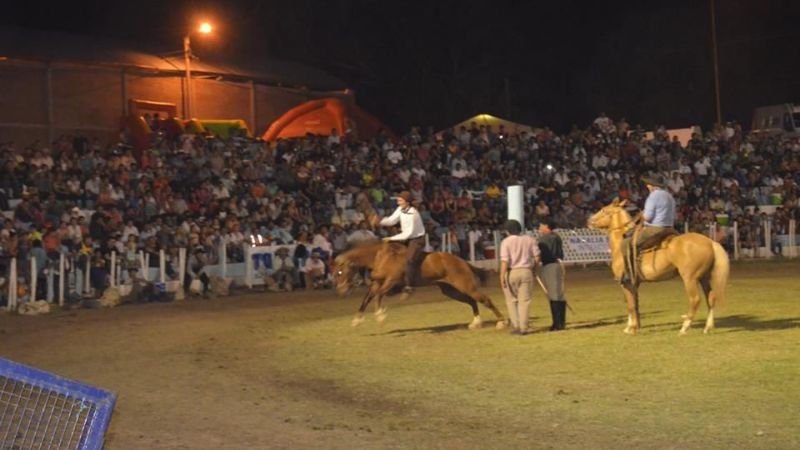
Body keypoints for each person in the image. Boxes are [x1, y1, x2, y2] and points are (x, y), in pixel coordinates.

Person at [622, 174, 676, 284]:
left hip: (656, 229)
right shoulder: (669, 196)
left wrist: (636, 223)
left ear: (652, 185)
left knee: (626, 244)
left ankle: (629, 274)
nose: (647, 186)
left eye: (648, 184)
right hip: (670, 228)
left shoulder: (653, 196)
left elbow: (648, 217)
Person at [372, 190, 426, 296]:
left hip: (417, 240)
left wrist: (391, 238)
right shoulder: (400, 209)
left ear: (407, 202)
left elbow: (407, 234)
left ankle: (409, 286)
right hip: (406, 238)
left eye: (400, 200)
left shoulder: (413, 214)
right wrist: (380, 221)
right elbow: (391, 220)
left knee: (410, 260)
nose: (398, 202)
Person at [499, 219, 540, 335]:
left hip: (511, 272)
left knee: (511, 301)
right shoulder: (529, 240)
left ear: (507, 231)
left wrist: (501, 276)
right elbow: (537, 257)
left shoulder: (506, 242)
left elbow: (504, 261)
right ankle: (524, 327)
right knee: (525, 301)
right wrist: (534, 270)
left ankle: (516, 325)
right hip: (526, 271)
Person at [537, 219, 567, 331]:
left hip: (550, 265)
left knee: (554, 295)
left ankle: (557, 324)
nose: (539, 228)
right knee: (559, 294)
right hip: (558, 265)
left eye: (541, 225)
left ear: (546, 226)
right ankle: (560, 322)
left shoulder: (544, 239)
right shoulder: (556, 236)